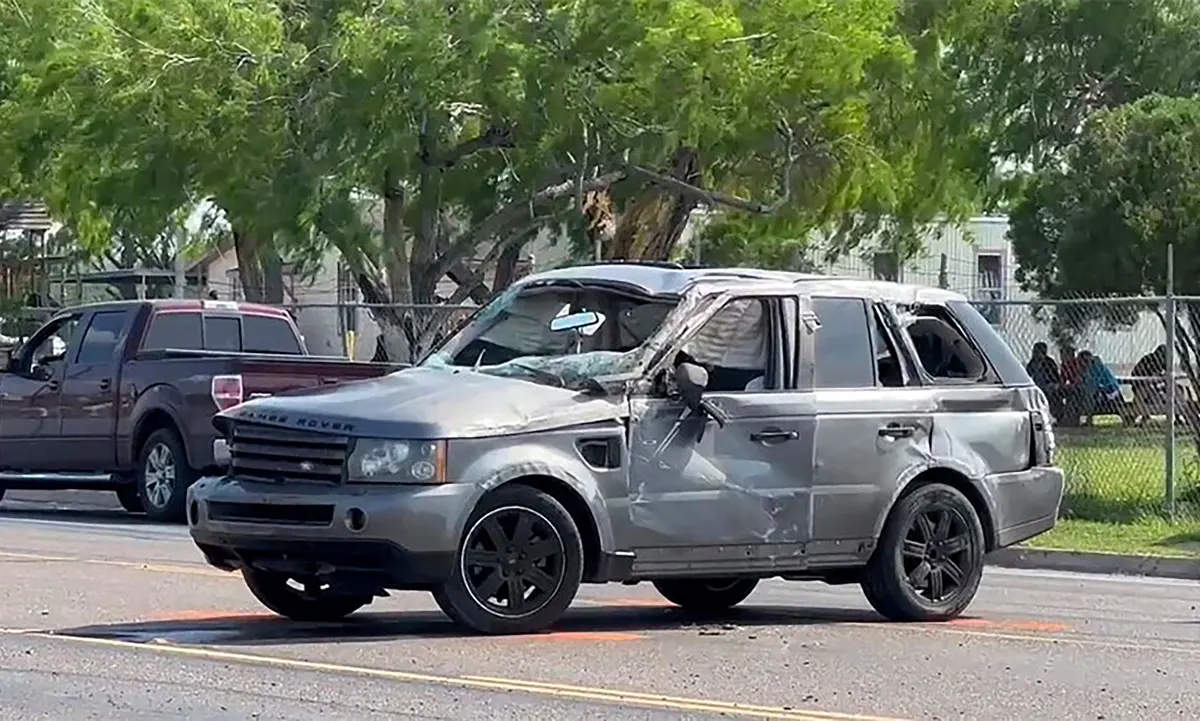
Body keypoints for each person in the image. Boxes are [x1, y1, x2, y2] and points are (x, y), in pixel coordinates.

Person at [1078, 350, 1124, 426]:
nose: (1083, 364)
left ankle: (1089, 418)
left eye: (1085, 361)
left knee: (1092, 393)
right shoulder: (1087, 369)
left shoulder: (1096, 368)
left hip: (1110, 392)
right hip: (1101, 391)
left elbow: (1095, 383)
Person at [1130, 344, 1169, 425]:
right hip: (1140, 384)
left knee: (1176, 388)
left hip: (1153, 384)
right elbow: (1138, 374)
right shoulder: (1149, 359)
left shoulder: (1163, 361)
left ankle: (1178, 415)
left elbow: (1165, 374)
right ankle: (1136, 415)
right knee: (1145, 392)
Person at [1026, 342, 1064, 421]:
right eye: (1035, 351)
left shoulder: (1049, 362)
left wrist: (1054, 384)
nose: (1035, 353)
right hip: (1038, 385)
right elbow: (1028, 374)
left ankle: (1058, 415)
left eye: (1038, 351)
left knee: (1052, 393)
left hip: (1049, 384)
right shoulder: (1032, 362)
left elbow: (1055, 376)